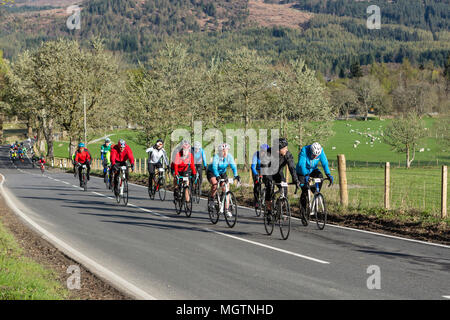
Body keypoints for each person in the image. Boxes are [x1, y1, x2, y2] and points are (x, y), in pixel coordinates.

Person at [262, 138, 300, 223]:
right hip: (268, 172)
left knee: (284, 189)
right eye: (284, 148)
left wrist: (295, 179)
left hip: (278, 173)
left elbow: (292, 168)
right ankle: (268, 211)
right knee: (270, 188)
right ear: (278, 149)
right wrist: (268, 180)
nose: (286, 149)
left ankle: (279, 209)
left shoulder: (287, 154)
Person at [296, 142, 333, 213]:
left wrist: (328, 174)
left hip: (313, 170)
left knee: (320, 176)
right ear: (311, 151)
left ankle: (316, 192)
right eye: (313, 155)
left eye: (317, 155)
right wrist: (306, 175)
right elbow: (301, 165)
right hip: (302, 171)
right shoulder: (304, 150)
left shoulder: (321, 151)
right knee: (304, 189)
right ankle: (303, 210)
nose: (315, 157)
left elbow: (325, 163)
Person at [206, 143, 240, 216]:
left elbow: (233, 167)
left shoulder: (229, 156)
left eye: (226, 150)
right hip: (212, 171)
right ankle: (211, 200)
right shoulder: (216, 157)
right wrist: (217, 176)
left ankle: (226, 209)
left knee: (226, 188)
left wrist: (236, 175)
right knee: (215, 184)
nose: (225, 152)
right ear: (220, 151)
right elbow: (214, 167)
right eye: (223, 151)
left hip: (222, 173)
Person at [251, 144, 269, 208]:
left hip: (264, 170)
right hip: (256, 170)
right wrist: (256, 175)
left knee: (268, 184)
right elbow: (253, 167)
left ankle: (266, 199)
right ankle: (256, 201)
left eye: (264, 152)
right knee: (257, 185)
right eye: (262, 151)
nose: (263, 153)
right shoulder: (256, 154)